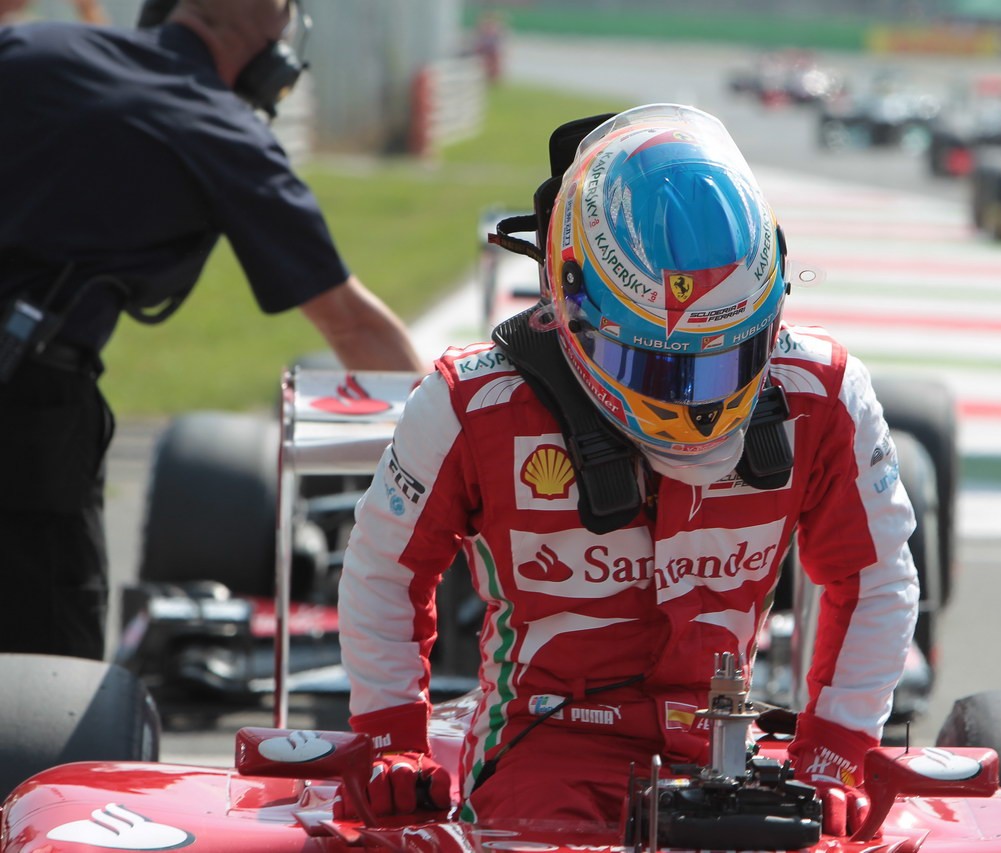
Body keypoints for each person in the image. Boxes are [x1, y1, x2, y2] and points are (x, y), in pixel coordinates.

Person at [337, 104, 918, 834]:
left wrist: (836, 753)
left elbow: (875, 576)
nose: (698, 401)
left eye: (730, 357)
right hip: (546, 748)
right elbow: (384, 569)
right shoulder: (471, 405)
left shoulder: (826, 394)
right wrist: (393, 741)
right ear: (569, 301)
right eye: (658, 364)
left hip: (730, 752)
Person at [0, 0, 427, 662]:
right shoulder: (222, 131)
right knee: (50, 678)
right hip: (28, 418)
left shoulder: (35, 50)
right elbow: (350, 323)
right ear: (273, 62)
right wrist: (460, 437)